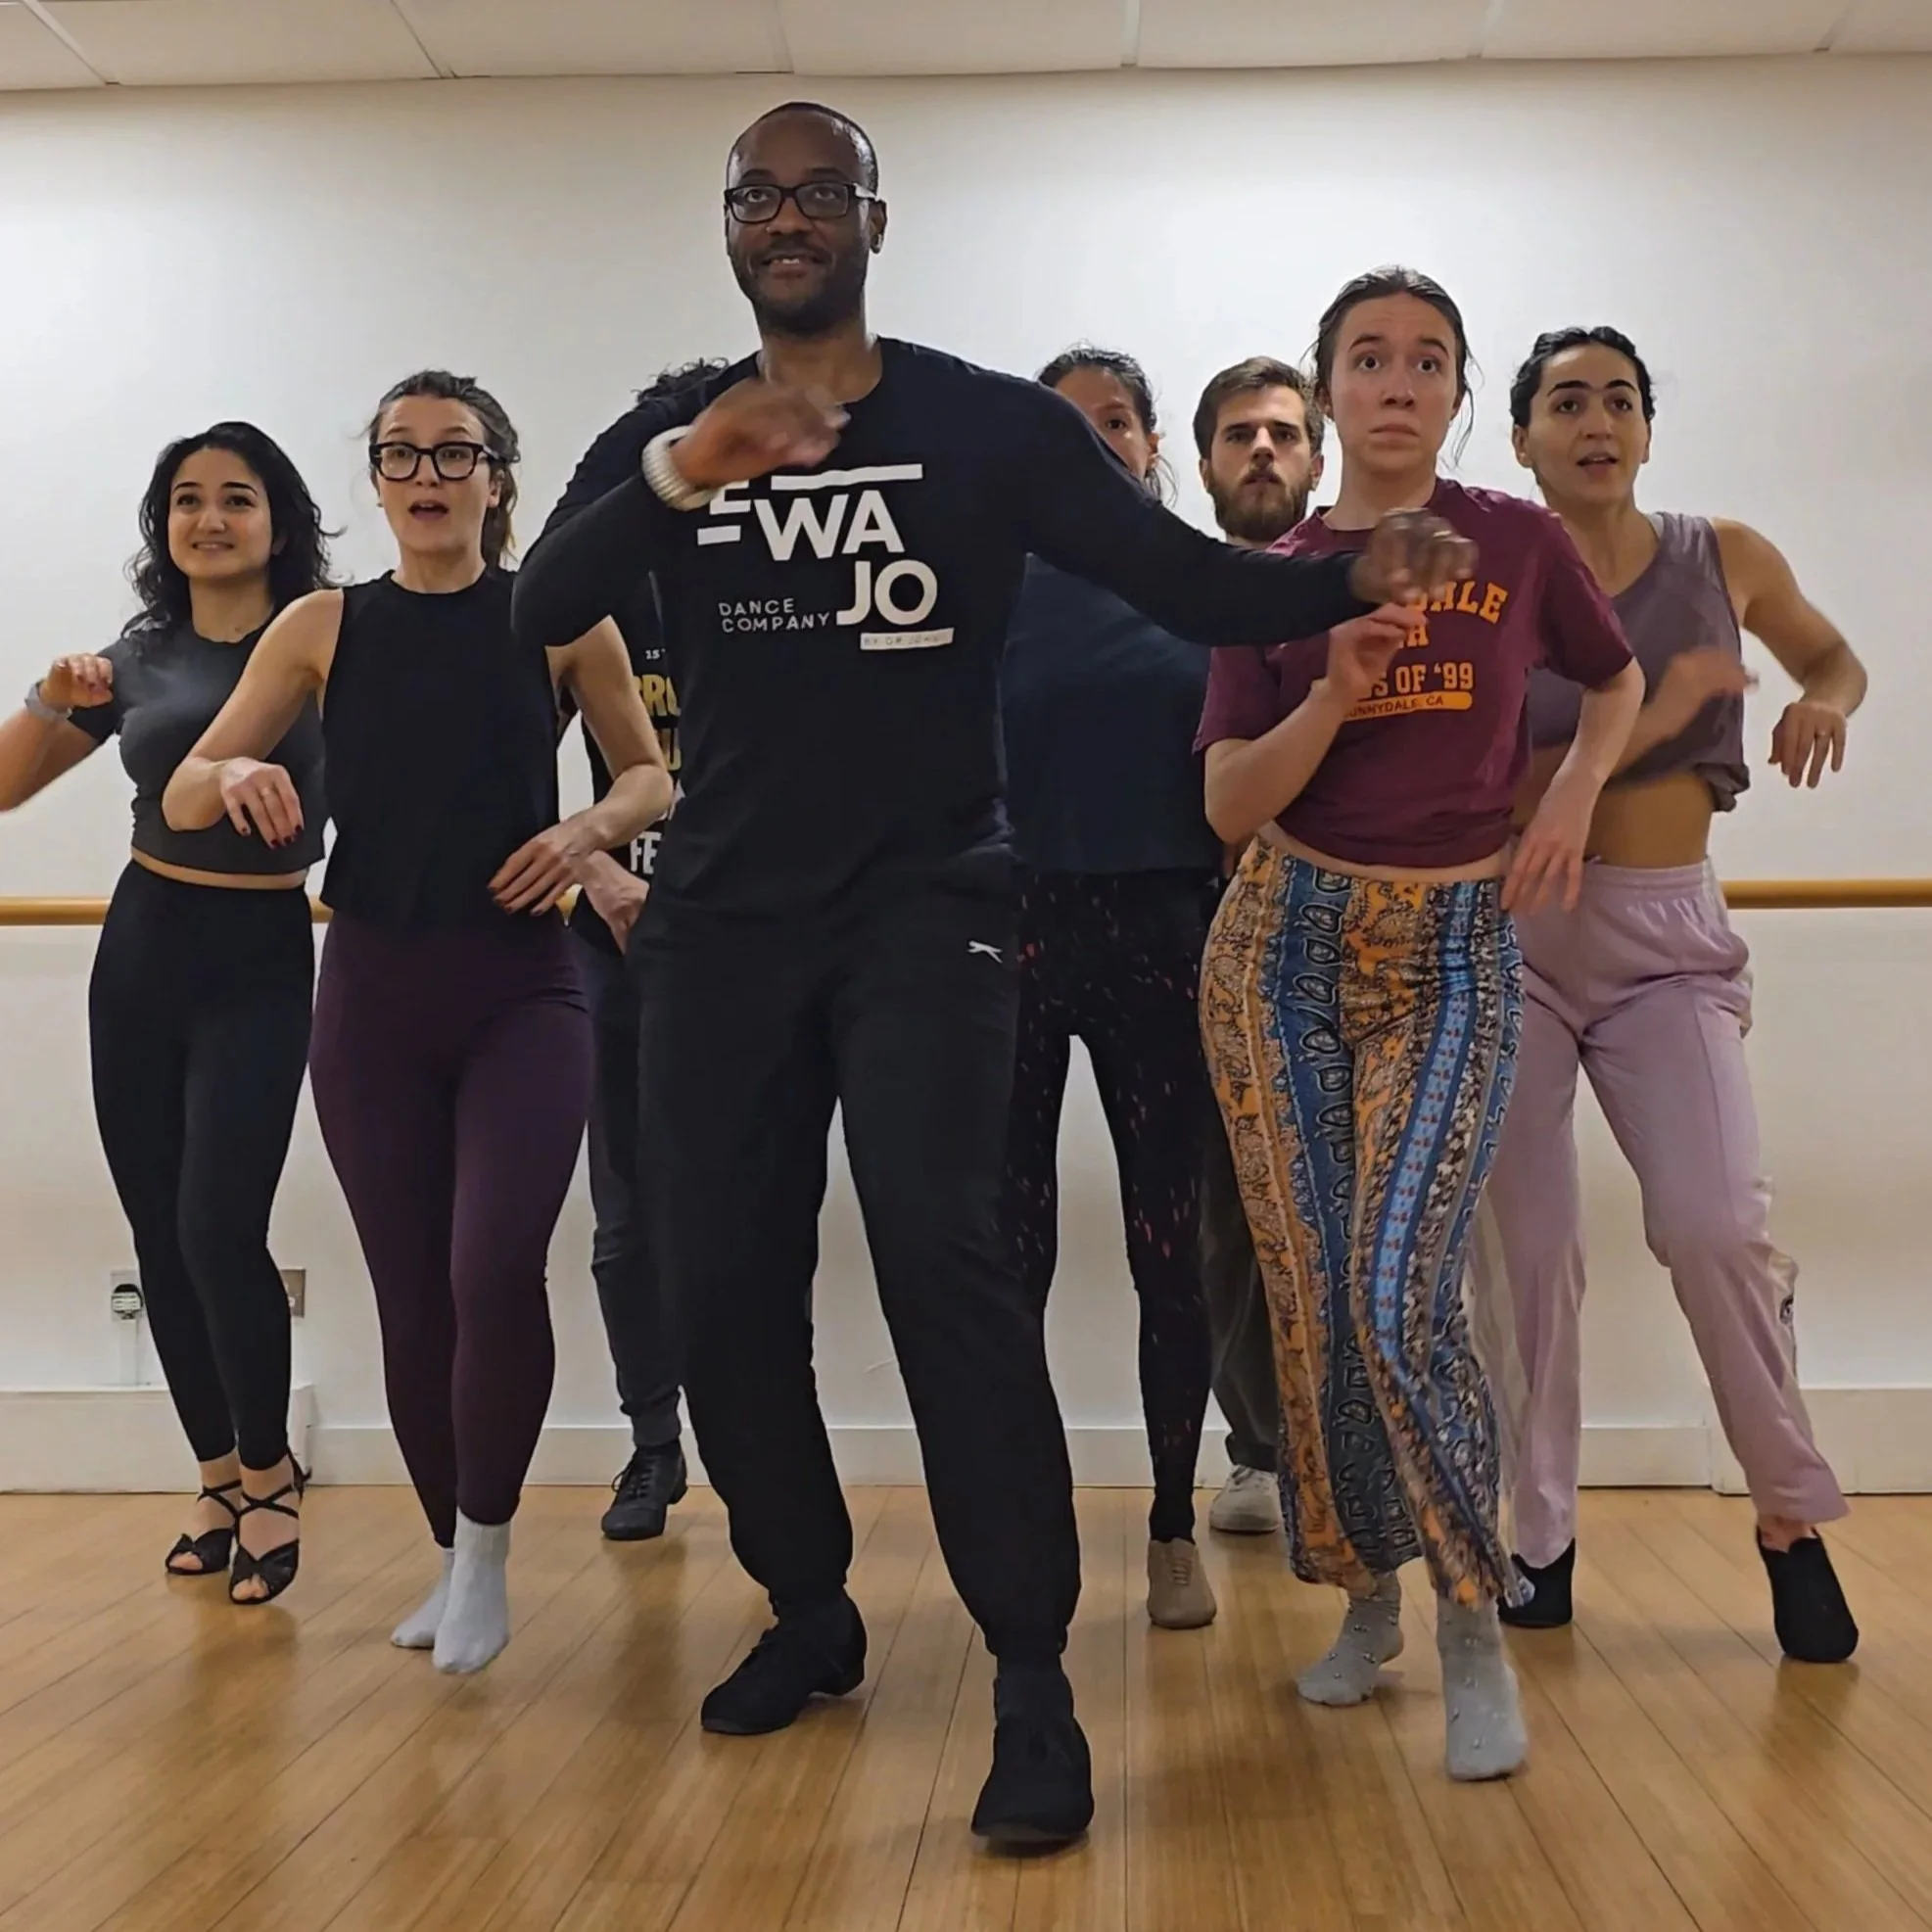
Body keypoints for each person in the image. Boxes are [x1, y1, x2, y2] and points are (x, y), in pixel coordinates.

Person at [511, 105, 1468, 1847]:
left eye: (818, 191)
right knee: (718, 1279)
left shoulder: (987, 427)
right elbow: (538, 605)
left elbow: (1177, 576)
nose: (786, 216)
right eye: (757, 195)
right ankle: (807, 1608)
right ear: (729, 226)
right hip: (725, 917)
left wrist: (1346, 574)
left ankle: (1030, 1682)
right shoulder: (672, 428)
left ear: (874, 214)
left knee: (949, 1261)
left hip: (926, 908)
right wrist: (684, 470)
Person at [1196, 266, 1643, 1782]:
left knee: (1401, 1293)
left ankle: (1471, 1613)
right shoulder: (1269, 572)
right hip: (1281, 949)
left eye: (1426, 360)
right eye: (1367, 358)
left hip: (1453, 952)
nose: (1396, 381)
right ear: (1328, 392)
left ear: (1457, 398)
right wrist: (1328, 692)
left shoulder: (1516, 545)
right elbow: (1226, 801)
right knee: (1317, 1309)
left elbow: (1620, 675)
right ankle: (1365, 1595)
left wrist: (1571, 793)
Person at [164, 370, 672, 1673]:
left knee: (493, 1264)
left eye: (456, 453)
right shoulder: (320, 627)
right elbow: (182, 788)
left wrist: (587, 829)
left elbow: (653, 772)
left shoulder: (559, 620)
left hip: (521, 990)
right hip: (374, 997)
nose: (428, 476)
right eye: (402, 454)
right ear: (378, 478)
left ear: (496, 475)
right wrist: (237, 767)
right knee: (411, 1297)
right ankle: (452, 1558)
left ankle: (491, 1557)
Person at [1484, 325, 1864, 1663]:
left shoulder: (1724, 556)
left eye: (1620, 401)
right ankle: (1538, 1535)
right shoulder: (1490, 570)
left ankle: (1788, 1512)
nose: (1597, 421)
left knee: (1713, 1228)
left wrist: (1822, 700)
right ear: (1522, 437)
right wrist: (1673, 707)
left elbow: (1833, 658)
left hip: (1664, 946)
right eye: (1566, 402)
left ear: (1648, 430)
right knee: (1530, 1256)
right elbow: (1506, 781)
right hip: (1513, 943)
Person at [0, 424, 329, 1605]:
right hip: (144, 949)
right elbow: (5, 785)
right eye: (186, 500)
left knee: (215, 1224)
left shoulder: (330, 639)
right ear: (165, 526)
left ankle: (271, 1468)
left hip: (261, 951)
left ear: (278, 521)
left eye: (236, 498)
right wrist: (48, 695)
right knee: (155, 1228)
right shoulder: (137, 654)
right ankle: (213, 1475)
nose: (209, 519)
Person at [999, 345, 1221, 1632]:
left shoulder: (1198, 586)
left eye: (1116, 421)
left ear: (1151, 446)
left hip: (1162, 925)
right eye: (1065, 425)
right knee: (1011, 1249)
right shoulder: (981, 586)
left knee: (1168, 1248)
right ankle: (1026, 1517)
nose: (1094, 442)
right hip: (1016, 931)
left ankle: (1173, 1522)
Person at [561, 355, 730, 1544]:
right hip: (607, 938)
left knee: (740, 1206)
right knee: (622, 1216)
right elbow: (517, 772)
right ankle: (651, 1443)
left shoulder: (780, 588)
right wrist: (594, 868)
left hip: (742, 943)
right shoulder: (594, 602)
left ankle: (757, 1438)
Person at [1189, 355, 1331, 1537]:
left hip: (1369, 939)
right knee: (1229, 1211)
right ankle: (1261, 1450)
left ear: (1317, 456)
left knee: (1366, 1218)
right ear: (1201, 465)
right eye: (1240, 434)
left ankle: (1367, 1457)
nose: (1263, 451)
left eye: (1284, 432)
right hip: (1200, 937)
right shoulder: (1169, 596)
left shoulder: (1362, 589)